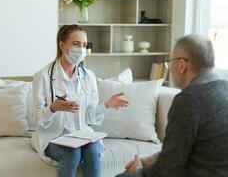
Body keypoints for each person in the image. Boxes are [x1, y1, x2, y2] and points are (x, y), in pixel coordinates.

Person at [116, 34, 228, 177]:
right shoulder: (225, 88)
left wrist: (138, 171)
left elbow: (166, 172)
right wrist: (154, 158)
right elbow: (189, 148)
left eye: (170, 62)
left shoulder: (188, 100)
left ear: (182, 65)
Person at [31, 24, 129, 177]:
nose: (81, 49)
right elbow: (36, 119)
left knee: (93, 151)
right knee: (72, 153)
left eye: (84, 45)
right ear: (62, 45)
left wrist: (106, 105)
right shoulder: (42, 76)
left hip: (82, 135)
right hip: (53, 137)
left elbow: (89, 117)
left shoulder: (88, 76)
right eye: (76, 44)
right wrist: (52, 108)